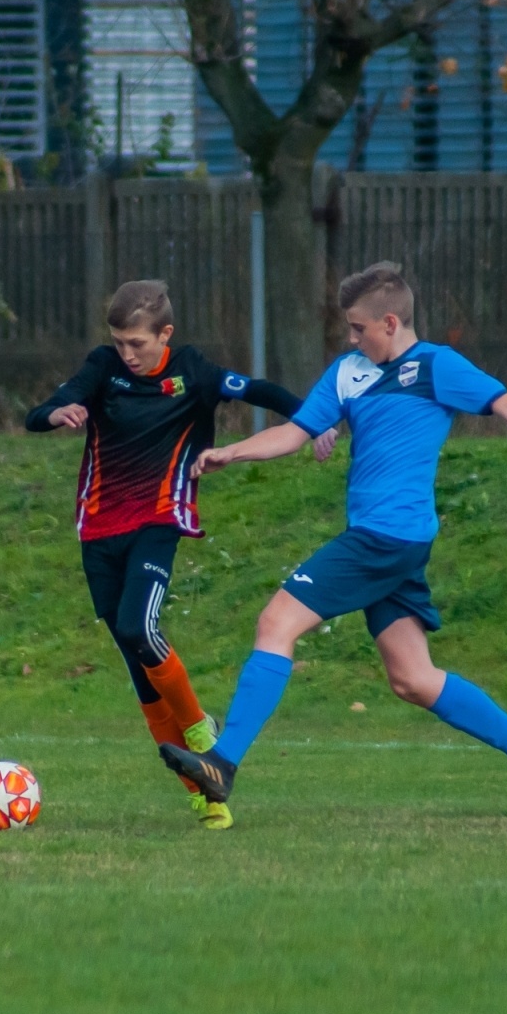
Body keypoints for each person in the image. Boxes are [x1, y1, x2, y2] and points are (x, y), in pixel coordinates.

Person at [159, 262, 507, 826]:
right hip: (390, 540)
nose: (350, 338)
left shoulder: (436, 366)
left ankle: (222, 764)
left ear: (389, 322)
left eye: (358, 328)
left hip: (385, 537)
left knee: (276, 622)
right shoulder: (349, 372)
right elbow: (295, 433)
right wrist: (233, 451)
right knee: (413, 679)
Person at [26, 279, 334, 830]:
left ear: (164, 334)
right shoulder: (103, 368)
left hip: (159, 519)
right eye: (119, 341)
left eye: (137, 343)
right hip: (98, 530)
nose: (127, 353)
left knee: (141, 629)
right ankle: (205, 794)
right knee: (137, 667)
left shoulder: (193, 371)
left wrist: (316, 423)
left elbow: (260, 390)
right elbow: (43, 409)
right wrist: (57, 414)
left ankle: (198, 730)